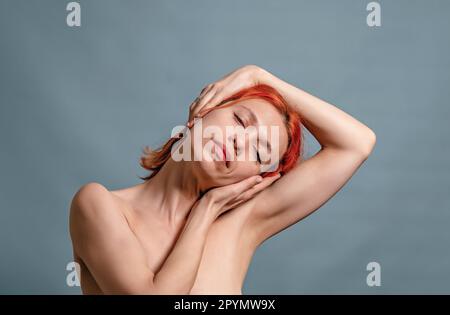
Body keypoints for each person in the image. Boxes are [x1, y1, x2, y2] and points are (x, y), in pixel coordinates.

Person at [69, 65, 376, 294]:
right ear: (205, 108)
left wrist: (260, 77)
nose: (241, 143)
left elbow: (356, 143)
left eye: (258, 151)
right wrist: (205, 212)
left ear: (256, 178)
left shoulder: (244, 222)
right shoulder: (99, 205)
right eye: (241, 120)